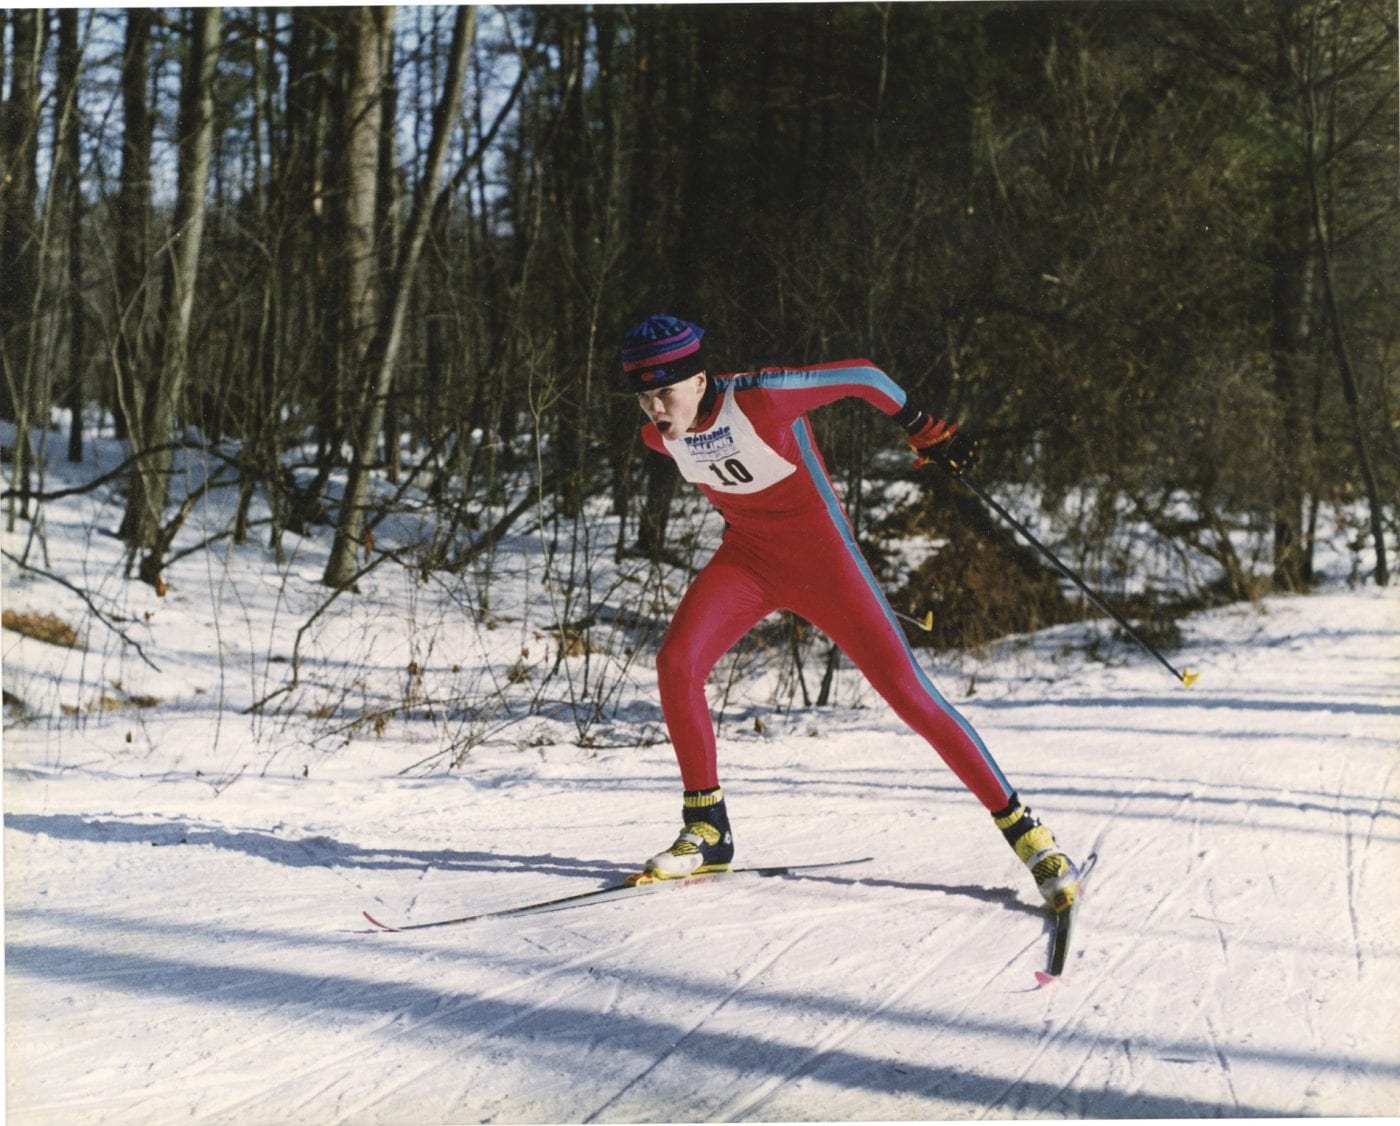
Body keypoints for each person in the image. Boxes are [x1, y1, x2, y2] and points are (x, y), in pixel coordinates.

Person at [621, 313, 1082, 911]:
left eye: (665, 391)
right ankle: (707, 830)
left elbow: (864, 376)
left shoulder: (759, 398)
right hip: (749, 562)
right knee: (676, 663)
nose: (655, 409)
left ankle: (1030, 837)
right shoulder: (660, 436)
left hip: (825, 563)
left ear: (701, 378)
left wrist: (924, 428)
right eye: (644, 395)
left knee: (910, 695)